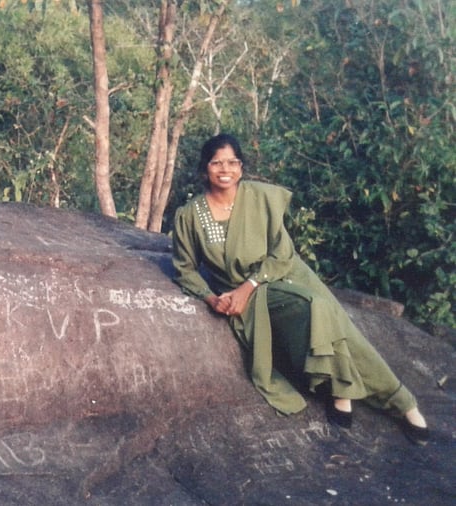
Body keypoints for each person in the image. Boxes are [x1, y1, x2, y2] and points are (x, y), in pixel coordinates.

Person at [171, 133, 430, 445]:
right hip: (245, 296)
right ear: (204, 169)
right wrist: (212, 298)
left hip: (281, 275)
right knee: (314, 311)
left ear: (241, 167)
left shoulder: (260, 198)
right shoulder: (190, 215)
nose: (225, 169)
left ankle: (400, 401)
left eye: (233, 162)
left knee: (334, 319)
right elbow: (185, 268)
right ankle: (344, 389)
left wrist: (248, 286)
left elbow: (281, 254)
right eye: (217, 163)